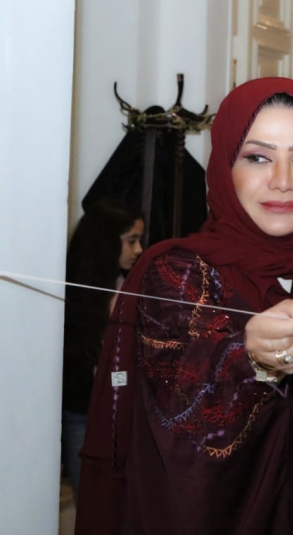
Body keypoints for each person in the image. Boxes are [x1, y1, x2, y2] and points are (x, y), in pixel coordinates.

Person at [76, 77, 293, 535]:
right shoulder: (177, 275)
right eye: (257, 157)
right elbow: (176, 414)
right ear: (224, 166)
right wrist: (247, 358)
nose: (283, 180)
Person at [62, 197, 144, 501]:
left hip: (125, 410)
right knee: (89, 498)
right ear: (105, 242)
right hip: (82, 413)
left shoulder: (131, 285)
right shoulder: (72, 293)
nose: (139, 250)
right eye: (131, 241)